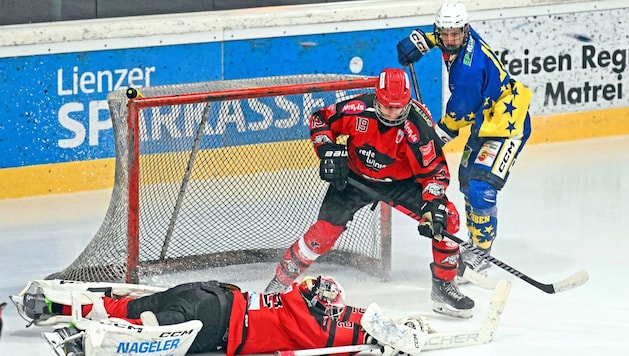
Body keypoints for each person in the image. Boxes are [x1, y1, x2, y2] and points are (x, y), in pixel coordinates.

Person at [264, 67, 474, 318]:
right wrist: (327, 149)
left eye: (399, 107)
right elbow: (320, 120)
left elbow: (434, 172)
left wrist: (434, 205)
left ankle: (443, 285)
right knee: (322, 235)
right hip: (354, 179)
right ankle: (277, 285)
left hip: (401, 183)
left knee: (447, 218)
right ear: (377, 98)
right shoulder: (358, 109)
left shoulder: (418, 126)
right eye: (387, 107)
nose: (393, 113)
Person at [396, 2, 532, 281]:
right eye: (444, 34)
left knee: (481, 188)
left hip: (507, 127)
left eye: (455, 34)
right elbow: (445, 38)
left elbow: (458, 116)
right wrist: (425, 41)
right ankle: (475, 241)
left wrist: (433, 138)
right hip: (487, 121)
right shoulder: (461, 37)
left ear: (465, 30)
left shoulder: (468, 72)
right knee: (467, 181)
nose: (449, 40)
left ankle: (481, 253)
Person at [21, 276, 430, 355]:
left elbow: (354, 318)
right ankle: (84, 338)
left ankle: (56, 303)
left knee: (126, 306)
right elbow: (348, 334)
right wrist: (391, 336)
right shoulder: (311, 326)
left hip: (207, 292)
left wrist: (381, 325)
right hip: (214, 325)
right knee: (140, 330)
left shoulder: (292, 298)